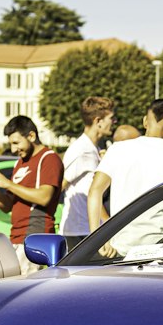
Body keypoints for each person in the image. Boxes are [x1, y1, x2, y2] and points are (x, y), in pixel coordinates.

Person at [87, 99, 163, 255]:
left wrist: (97, 238)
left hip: (119, 248)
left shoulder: (118, 149)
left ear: (144, 121)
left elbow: (95, 191)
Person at [0, 115, 64, 275]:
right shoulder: (20, 162)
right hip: (16, 236)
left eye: (16, 143)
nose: (13, 149)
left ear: (31, 136)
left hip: (35, 235)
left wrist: (8, 183)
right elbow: (7, 206)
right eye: (10, 143)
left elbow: (44, 197)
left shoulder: (49, 158)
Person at [59, 95, 116, 237]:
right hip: (80, 232)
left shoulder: (92, 148)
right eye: (111, 118)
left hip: (88, 230)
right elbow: (60, 186)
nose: (115, 122)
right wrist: (109, 226)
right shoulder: (82, 150)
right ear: (98, 121)